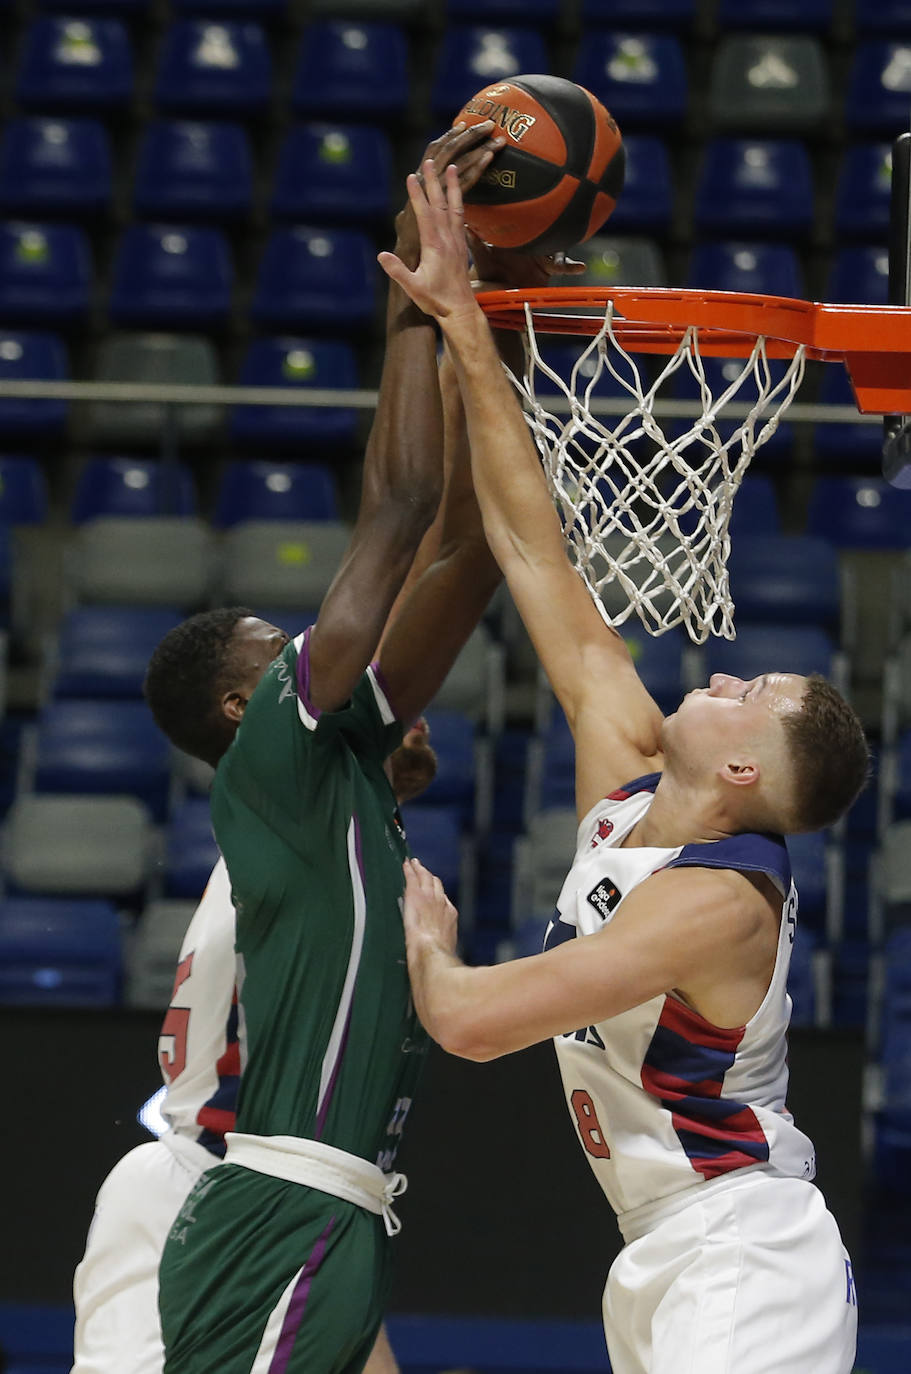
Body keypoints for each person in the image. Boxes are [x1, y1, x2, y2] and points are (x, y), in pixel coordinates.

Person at [380, 161, 870, 1374]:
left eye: (757, 695)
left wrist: (417, 927)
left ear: (750, 770)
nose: (734, 676)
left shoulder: (716, 901)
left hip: (743, 1246)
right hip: (658, 1245)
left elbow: (471, 1022)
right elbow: (531, 552)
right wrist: (465, 333)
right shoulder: (635, 786)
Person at [141, 124, 509, 1374]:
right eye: (274, 648)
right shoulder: (273, 765)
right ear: (241, 712)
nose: (302, 647)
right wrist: (409, 282)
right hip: (278, 1212)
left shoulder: (334, 762)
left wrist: (474, 332)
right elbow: (401, 514)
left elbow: (463, 555)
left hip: (336, 1203)